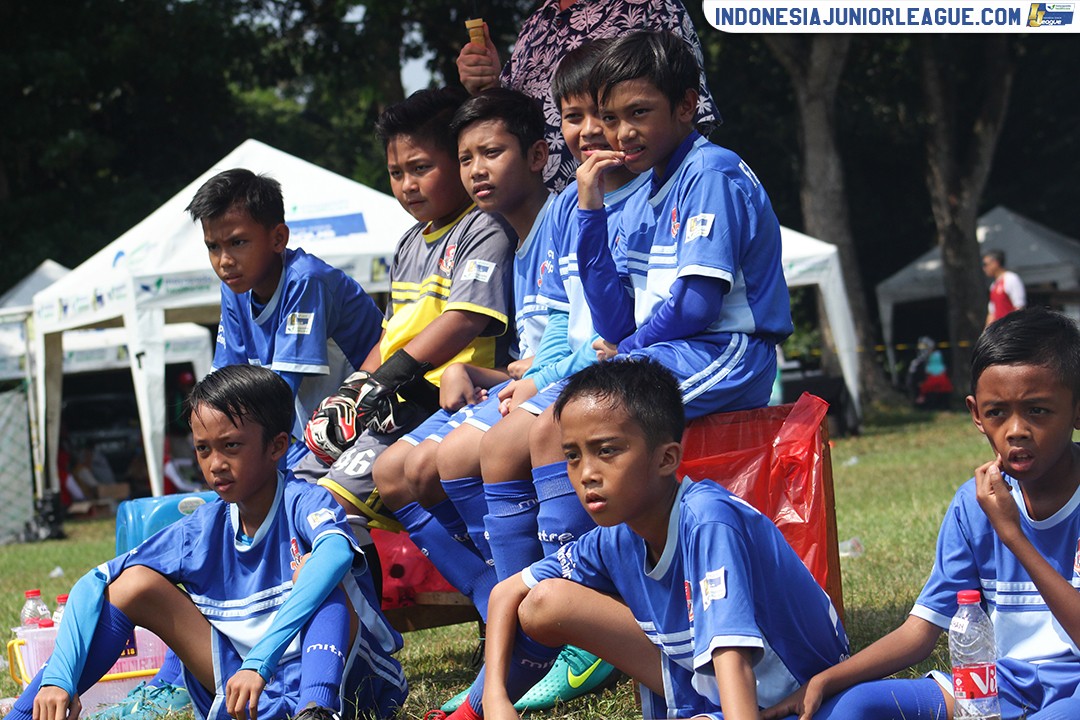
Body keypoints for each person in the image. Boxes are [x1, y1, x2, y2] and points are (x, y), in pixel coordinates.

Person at [3, 364, 407, 720]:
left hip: (347, 685)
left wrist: (261, 659)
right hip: (248, 691)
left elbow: (336, 552)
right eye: (202, 449)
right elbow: (94, 582)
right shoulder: (200, 529)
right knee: (132, 584)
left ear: (277, 446)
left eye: (231, 446)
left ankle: (315, 710)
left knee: (321, 576)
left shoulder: (305, 499)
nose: (215, 464)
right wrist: (58, 680)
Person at [480, 359, 849, 720]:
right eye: (572, 456)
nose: (587, 474)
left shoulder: (708, 520)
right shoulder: (615, 537)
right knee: (544, 603)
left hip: (797, 698)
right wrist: (495, 698)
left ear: (666, 458)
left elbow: (732, 657)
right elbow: (506, 593)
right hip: (716, 690)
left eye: (607, 450)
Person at [763, 306, 1080, 720]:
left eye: (1038, 410)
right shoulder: (974, 504)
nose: (1016, 430)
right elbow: (920, 631)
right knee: (851, 708)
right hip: (998, 685)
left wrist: (1013, 535)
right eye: (997, 412)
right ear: (976, 415)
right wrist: (827, 680)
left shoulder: (998, 514)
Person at [296, 87, 516, 596]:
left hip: (438, 401)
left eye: (421, 168)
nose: (407, 185)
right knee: (300, 491)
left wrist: (384, 380)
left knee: (329, 503)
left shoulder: (485, 228)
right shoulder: (408, 241)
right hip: (389, 397)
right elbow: (390, 332)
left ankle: (486, 603)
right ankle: (364, 626)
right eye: (397, 173)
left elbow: (463, 320)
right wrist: (350, 389)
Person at [363, 87, 557, 626]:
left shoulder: (533, 224)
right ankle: (495, 605)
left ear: (539, 155)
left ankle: (532, 617)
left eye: (489, 154)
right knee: (390, 470)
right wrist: (465, 371)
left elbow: (577, 342)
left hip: (561, 384)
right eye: (468, 157)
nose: (477, 170)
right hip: (505, 383)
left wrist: (393, 379)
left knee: (400, 476)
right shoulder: (509, 231)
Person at [577, 30, 792, 418]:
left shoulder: (710, 173)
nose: (623, 133)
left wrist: (628, 350)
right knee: (543, 425)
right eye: (610, 118)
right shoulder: (640, 197)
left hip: (727, 350)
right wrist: (591, 214)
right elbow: (614, 322)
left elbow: (696, 306)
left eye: (639, 112)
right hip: (663, 352)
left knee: (591, 416)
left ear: (686, 105)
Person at [187, 168, 384, 469]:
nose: (224, 260)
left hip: (371, 424)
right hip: (316, 435)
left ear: (278, 238)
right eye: (213, 246)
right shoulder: (234, 289)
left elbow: (277, 397)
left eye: (237, 242)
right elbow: (228, 384)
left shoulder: (307, 280)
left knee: (283, 490)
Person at [456, 0, 719, 192]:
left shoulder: (652, 7)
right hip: (557, 225)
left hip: (645, 218)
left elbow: (688, 123)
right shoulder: (535, 27)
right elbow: (513, 129)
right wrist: (490, 86)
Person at [983, 249, 1026, 327]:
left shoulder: (1011, 279)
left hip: (1010, 330)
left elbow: (1019, 307)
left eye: (986, 264)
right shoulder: (993, 285)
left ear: (995, 263)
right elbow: (992, 313)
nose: (984, 268)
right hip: (1000, 331)